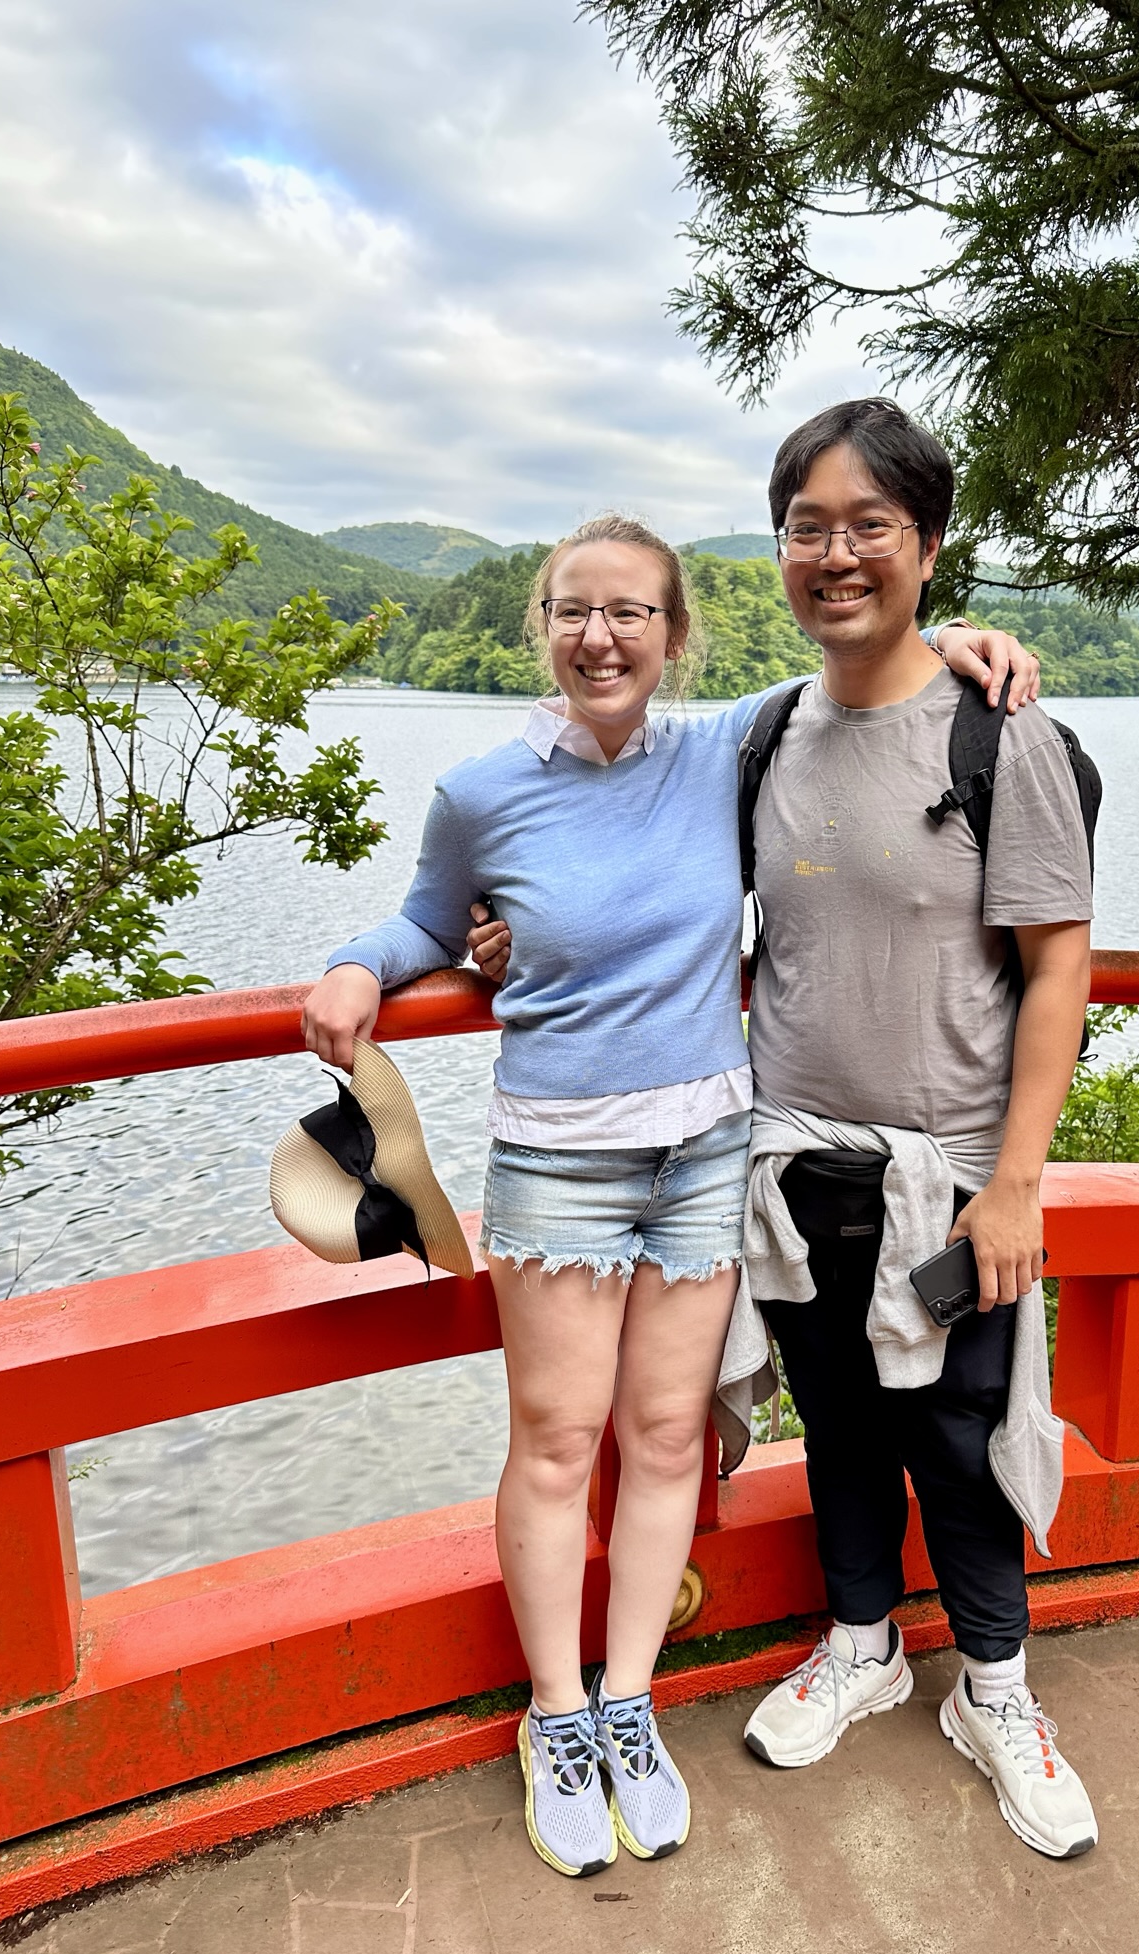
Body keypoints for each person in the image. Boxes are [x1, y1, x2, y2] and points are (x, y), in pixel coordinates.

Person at [302, 512, 1031, 1880]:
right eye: (575, 611)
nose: (601, 637)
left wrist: (970, 642)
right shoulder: (480, 789)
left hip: (704, 1153)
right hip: (560, 1157)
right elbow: (423, 918)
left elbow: (867, 678)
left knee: (659, 1435)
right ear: (544, 628)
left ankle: (628, 1696)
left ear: (674, 633)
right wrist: (360, 963)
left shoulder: (725, 752)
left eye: (632, 612)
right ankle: (557, 1713)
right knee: (559, 1438)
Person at [730, 398, 1100, 1859]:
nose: (835, 554)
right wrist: (494, 940)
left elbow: (1060, 965)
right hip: (795, 1162)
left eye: (868, 524)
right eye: (807, 527)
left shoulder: (1002, 735)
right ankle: (865, 1646)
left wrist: (1017, 1187)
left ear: (928, 547)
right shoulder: (763, 736)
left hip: (948, 1181)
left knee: (957, 1437)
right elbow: (646, 882)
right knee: (836, 1430)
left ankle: (996, 1692)